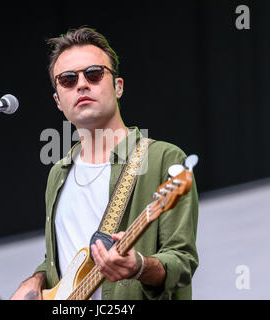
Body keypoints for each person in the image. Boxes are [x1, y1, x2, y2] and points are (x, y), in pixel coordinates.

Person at [11, 27, 198, 300]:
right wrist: (34, 280)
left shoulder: (163, 159)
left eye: (94, 74)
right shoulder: (58, 174)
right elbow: (57, 259)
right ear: (58, 102)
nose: (82, 84)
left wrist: (139, 267)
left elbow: (182, 261)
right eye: (67, 79)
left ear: (118, 86)